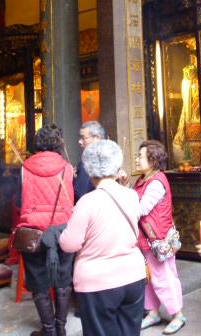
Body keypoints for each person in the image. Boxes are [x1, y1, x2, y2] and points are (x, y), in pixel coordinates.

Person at [59, 139, 146, 336]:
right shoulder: (131, 196)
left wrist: (62, 232)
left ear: (89, 170)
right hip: (133, 276)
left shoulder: (87, 202)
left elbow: (69, 244)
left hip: (97, 282)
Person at [17, 124, 75, 336]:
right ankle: (61, 328)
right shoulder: (67, 168)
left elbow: (19, 199)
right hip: (62, 230)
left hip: (34, 231)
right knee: (63, 280)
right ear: (59, 143)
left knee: (38, 281)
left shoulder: (24, 168)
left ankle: (49, 330)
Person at [134, 140, 186, 335]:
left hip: (157, 238)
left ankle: (177, 315)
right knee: (148, 277)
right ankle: (153, 312)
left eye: (140, 156)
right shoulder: (143, 179)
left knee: (164, 277)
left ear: (153, 160)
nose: (137, 159)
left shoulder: (156, 182)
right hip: (147, 238)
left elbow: (141, 208)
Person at [74, 121, 106, 201]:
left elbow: (80, 194)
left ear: (97, 138)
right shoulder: (111, 159)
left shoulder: (87, 164)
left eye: (83, 138)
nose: (79, 142)